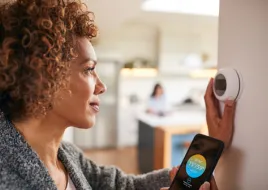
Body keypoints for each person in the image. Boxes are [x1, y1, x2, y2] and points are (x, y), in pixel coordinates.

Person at [0, 0, 235, 189]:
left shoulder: (67, 156)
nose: (101, 86)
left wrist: (210, 148)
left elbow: (127, 186)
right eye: (89, 69)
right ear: (43, 76)